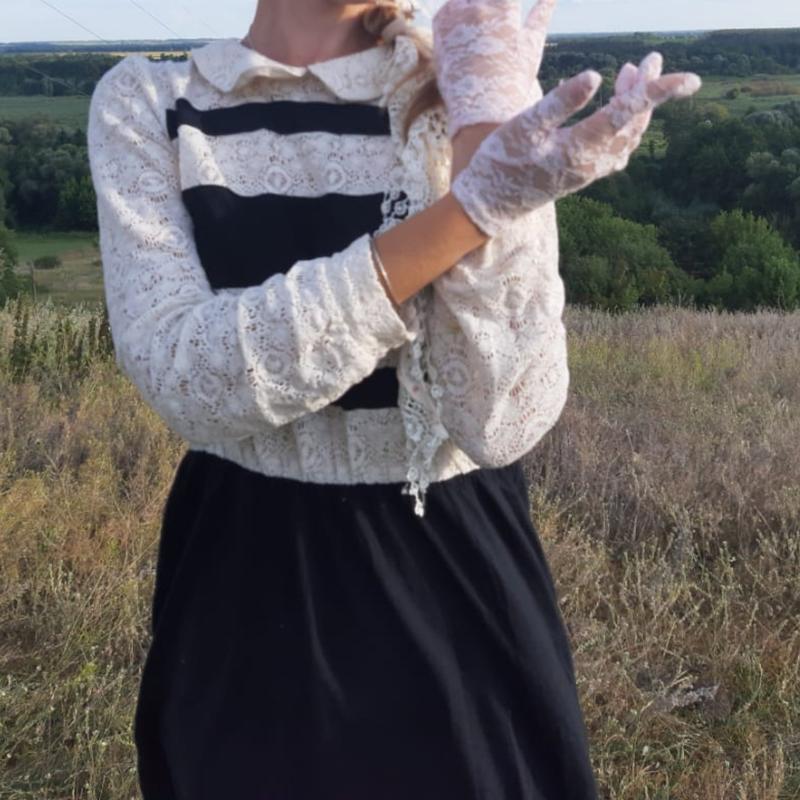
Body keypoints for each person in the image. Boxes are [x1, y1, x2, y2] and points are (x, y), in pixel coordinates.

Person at [86, 0, 701, 797]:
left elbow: (502, 416)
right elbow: (188, 378)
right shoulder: (153, 101)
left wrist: (483, 128)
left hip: (454, 580)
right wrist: (466, 214)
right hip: (244, 577)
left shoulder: (461, 90)